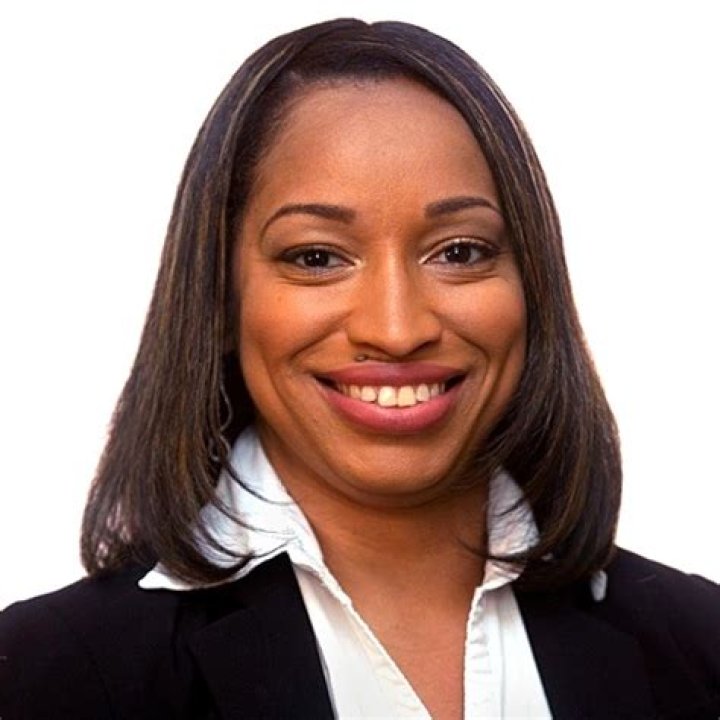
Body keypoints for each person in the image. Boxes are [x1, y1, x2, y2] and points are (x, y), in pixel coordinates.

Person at [1, 18, 718, 720]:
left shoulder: (700, 646)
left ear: (532, 285)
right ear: (220, 295)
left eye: (460, 251)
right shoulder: (44, 678)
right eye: (316, 257)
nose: (396, 330)